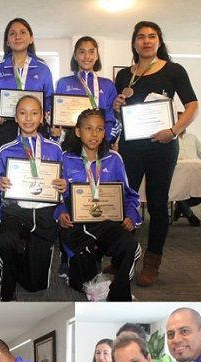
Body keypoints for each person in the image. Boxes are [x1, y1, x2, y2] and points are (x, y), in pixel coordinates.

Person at [113, 21, 199, 287]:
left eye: (152, 37)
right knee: (124, 202)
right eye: (141, 37)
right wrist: (117, 105)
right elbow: (121, 112)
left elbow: (192, 105)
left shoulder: (173, 70)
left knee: (158, 204)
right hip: (130, 145)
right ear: (134, 43)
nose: (147, 41)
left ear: (159, 42)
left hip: (163, 145)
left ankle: (152, 262)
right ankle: (122, 258)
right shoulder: (124, 75)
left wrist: (173, 131)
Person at [57, 108, 141, 302]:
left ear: (104, 132)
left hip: (108, 224)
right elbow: (57, 196)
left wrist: (131, 215)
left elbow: (130, 195)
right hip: (77, 228)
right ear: (78, 131)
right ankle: (83, 262)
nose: (94, 134)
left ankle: (119, 293)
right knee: (80, 283)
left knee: (129, 245)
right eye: (88, 128)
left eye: (99, 129)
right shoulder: (65, 159)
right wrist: (60, 212)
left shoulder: (114, 159)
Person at [0, 95, 67, 301]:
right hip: (17, 211)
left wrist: (63, 186)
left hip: (45, 213)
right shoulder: (5, 150)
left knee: (35, 285)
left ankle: (22, 258)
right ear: (15, 117)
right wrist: (0, 184)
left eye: (34, 113)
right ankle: (7, 287)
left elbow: (63, 183)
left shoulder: (54, 148)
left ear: (42, 117)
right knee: (5, 240)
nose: (28, 118)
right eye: (22, 113)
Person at [0, 18, 53, 149]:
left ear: (31, 39)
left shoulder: (43, 69)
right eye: (12, 33)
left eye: (22, 32)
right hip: (3, 130)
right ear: (7, 41)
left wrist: (48, 116)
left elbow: (49, 101)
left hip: (35, 129)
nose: (17, 36)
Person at [52, 36, 120, 143]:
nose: (87, 56)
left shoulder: (108, 84)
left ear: (97, 55)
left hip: (99, 142)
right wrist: (57, 135)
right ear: (75, 55)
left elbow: (111, 118)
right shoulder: (64, 83)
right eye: (82, 52)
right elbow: (57, 118)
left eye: (91, 52)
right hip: (71, 143)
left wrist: (105, 140)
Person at [171, 112, 201, 227]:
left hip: (195, 172)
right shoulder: (170, 138)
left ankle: (181, 206)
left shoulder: (193, 138)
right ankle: (189, 214)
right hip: (176, 174)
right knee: (177, 189)